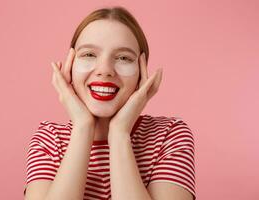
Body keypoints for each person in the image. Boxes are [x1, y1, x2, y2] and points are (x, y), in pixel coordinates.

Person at [24, 6, 196, 200]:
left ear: (141, 73)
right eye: (89, 54)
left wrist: (119, 133)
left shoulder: (169, 135)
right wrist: (82, 128)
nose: (105, 70)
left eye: (123, 58)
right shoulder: (50, 139)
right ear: (70, 65)